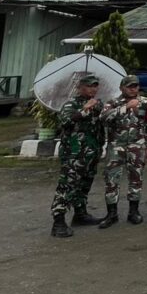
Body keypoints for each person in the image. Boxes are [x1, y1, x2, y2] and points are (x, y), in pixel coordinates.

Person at [50, 74, 103, 237]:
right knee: (67, 185)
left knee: (84, 184)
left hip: (91, 152)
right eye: (89, 86)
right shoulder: (70, 104)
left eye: (95, 86)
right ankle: (58, 221)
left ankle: (80, 214)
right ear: (80, 88)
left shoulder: (97, 104)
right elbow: (65, 122)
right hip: (74, 154)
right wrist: (85, 109)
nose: (93, 89)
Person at [98, 74, 147, 228]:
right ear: (122, 88)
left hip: (137, 146)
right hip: (116, 147)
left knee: (136, 179)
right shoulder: (113, 103)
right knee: (112, 180)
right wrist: (125, 108)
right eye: (130, 86)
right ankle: (111, 214)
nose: (133, 89)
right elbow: (104, 118)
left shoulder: (145, 102)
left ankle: (133, 212)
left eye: (136, 86)